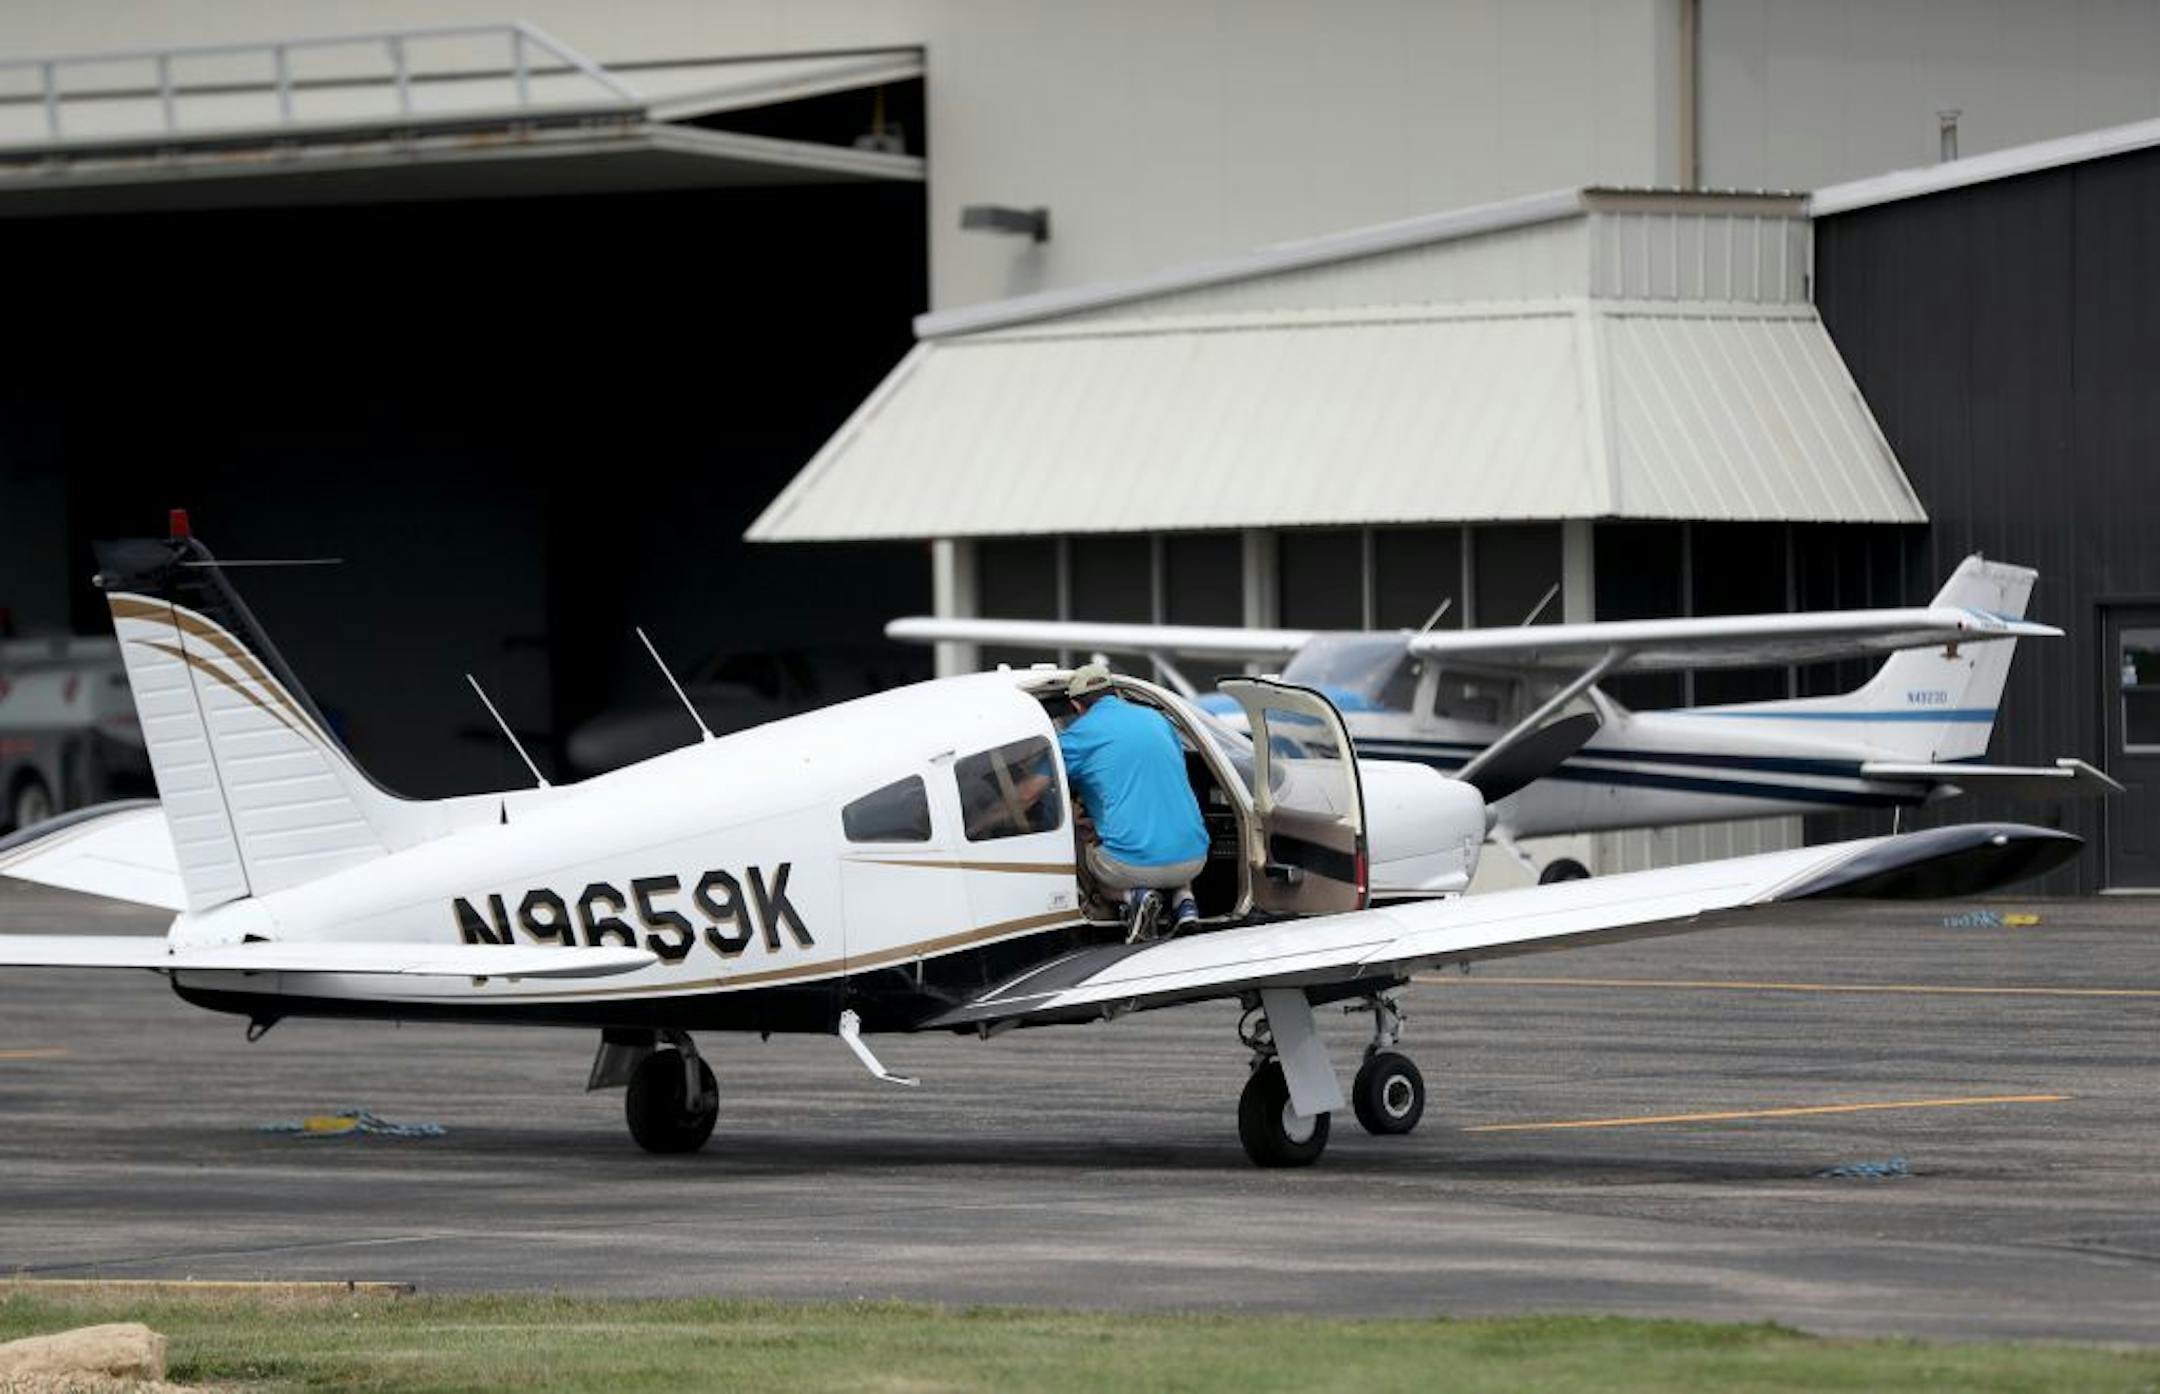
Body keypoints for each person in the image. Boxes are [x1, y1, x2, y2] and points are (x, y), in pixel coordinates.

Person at [1056, 663, 1209, 934]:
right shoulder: (1157, 721)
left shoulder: (1078, 737)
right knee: (1169, 835)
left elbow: (1042, 787)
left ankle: (1132, 898)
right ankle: (1185, 903)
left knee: (1079, 843)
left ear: (1076, 706)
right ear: (1116, 693)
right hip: (1194, 861)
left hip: (1129, 868)